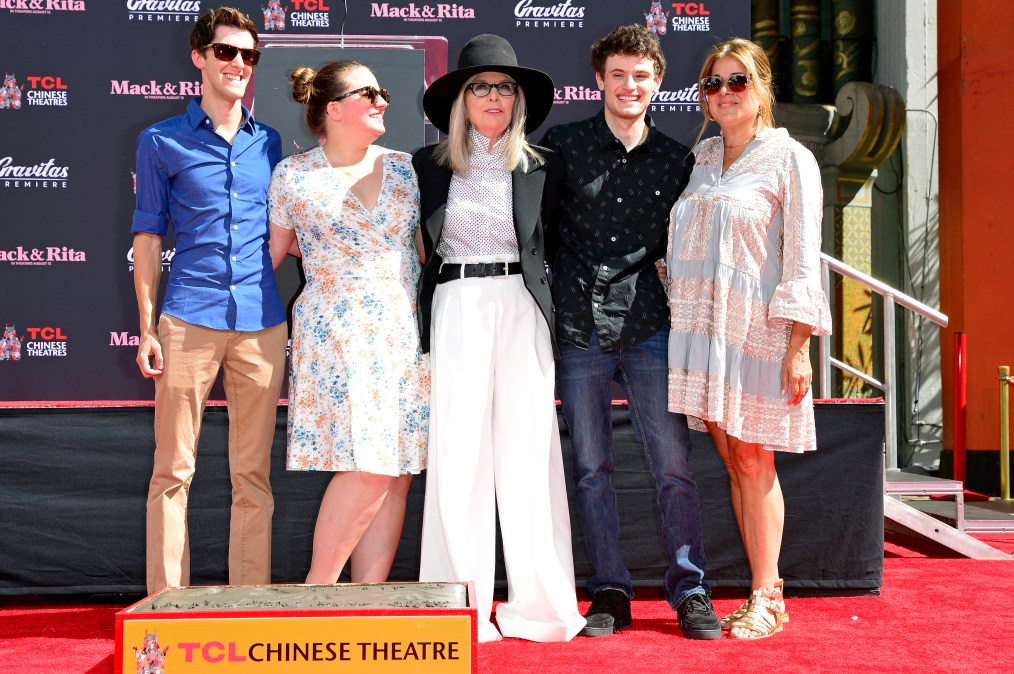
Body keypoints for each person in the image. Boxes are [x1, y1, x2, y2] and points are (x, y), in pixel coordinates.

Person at [539, 24, 720, 639]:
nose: (629, 85)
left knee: (672, 464)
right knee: (591, 466)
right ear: (598, 80)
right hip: (579, 327)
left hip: (649, 325)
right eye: (617, 74)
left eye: (641, 75)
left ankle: (690, 588)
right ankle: (610, 590)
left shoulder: (677, 160)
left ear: (657, 82)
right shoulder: (561, 146)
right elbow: (535, 232)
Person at [414, 33, 585, 643]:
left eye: (505, 88)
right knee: (458, 456)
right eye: (481, 86)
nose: (494, 97)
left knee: (529, 455)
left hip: (521, 305)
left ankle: (541, 609)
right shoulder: (424, 167)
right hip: (456, 304)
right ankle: (457, 610)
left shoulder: (544, 166)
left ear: (519, 100)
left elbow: (559, 250)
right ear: (461, 99)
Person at [666, 37, 831, 639]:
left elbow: (803, 258)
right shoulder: (703, 156)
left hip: (757, 331)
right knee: (734, 460)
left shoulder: (790, 158)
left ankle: (769, 595)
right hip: (701, 332)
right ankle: (764, 591)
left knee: (755, 457)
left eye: (738, 81)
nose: (725, 93)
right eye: (714, 83)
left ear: (762, 89)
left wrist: (799, 346)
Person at [132, 7, 287, 594]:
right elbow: (147, 238)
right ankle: (164, 605)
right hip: (186, 319)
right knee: (173, 472)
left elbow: (283, 232)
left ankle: (248, 604)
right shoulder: (159, 140)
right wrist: (148, 328)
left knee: (253, 475)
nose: (239, 65)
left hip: (262, 325)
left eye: (249, 55)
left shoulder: (269, 143)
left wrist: (250, 276)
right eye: (227, 52)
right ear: (200, 58)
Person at [266, 61, 429, 584]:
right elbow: (270, 253)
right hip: (338, 334)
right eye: (370, 93)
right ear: (332, 109)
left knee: (396, 472)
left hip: (402, 335)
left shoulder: (408, 168)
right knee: (369, 463)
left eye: (383, 91)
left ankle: (368, 600)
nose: (384, 100)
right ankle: (317, 594)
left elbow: (430, 250)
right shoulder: (293, 175)